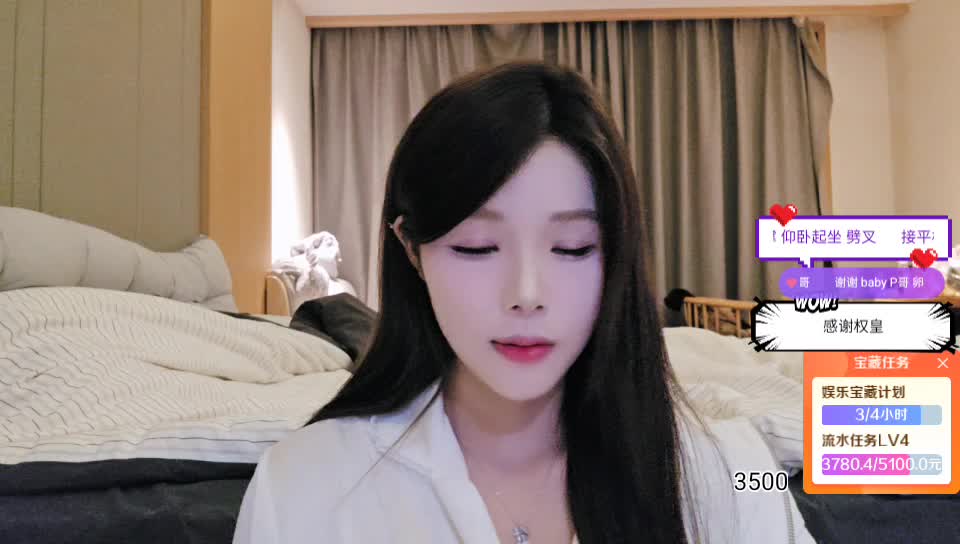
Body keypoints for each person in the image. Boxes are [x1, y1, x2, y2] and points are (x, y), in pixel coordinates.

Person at [234, 61, 812, 544]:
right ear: (411, 250)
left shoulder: (728, 475)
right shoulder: (306, 486)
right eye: (478, 247)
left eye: (572, 247)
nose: (526, 295)